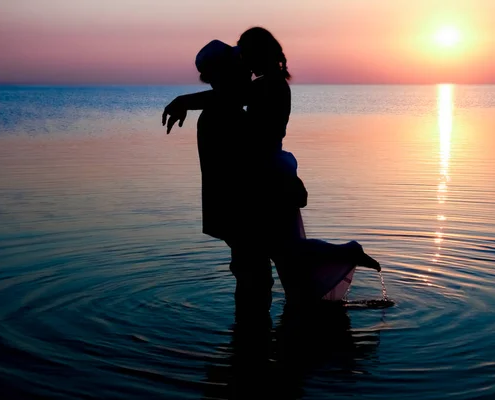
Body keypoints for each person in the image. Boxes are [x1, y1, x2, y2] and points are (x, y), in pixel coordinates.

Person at [162, 28, 380, 316]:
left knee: (282, 254)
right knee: (284, 254)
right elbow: (229, 104)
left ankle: (260, 341)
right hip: (264, 176)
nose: (242, 60)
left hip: (268, 173)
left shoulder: (267, 86)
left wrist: (184, 101)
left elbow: (231, 99)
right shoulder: (252, 94)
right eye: (238, 55)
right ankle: (281, 333)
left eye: (245, 53)